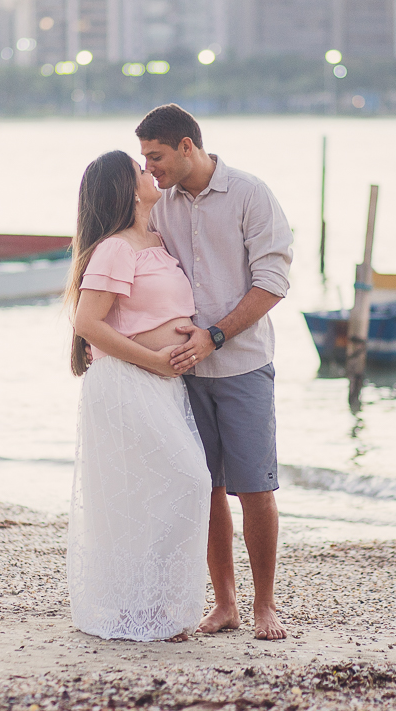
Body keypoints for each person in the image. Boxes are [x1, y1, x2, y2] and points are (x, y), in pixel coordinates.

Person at [137, 104, 294, 641]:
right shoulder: (162, 208)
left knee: (255, 488)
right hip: (183, 372)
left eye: (155, 157)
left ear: (186, 146)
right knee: (205, 486)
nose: (150, 169)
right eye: (144, 160)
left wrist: (216, 335)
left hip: (244, 365)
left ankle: (264, 606)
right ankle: (224, 604)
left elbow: (273, 281)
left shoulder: (251, 194)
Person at [64, 150, 212, 642]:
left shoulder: (158, 240)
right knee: (188, 482)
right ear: (127, 190)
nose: (151, 173)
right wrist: (152, 359)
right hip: (128, 383)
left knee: (159, 494)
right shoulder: (114, 249)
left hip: (162, 387)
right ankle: (140, 605)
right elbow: (86, 325)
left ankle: (147, 606)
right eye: (141, 170)